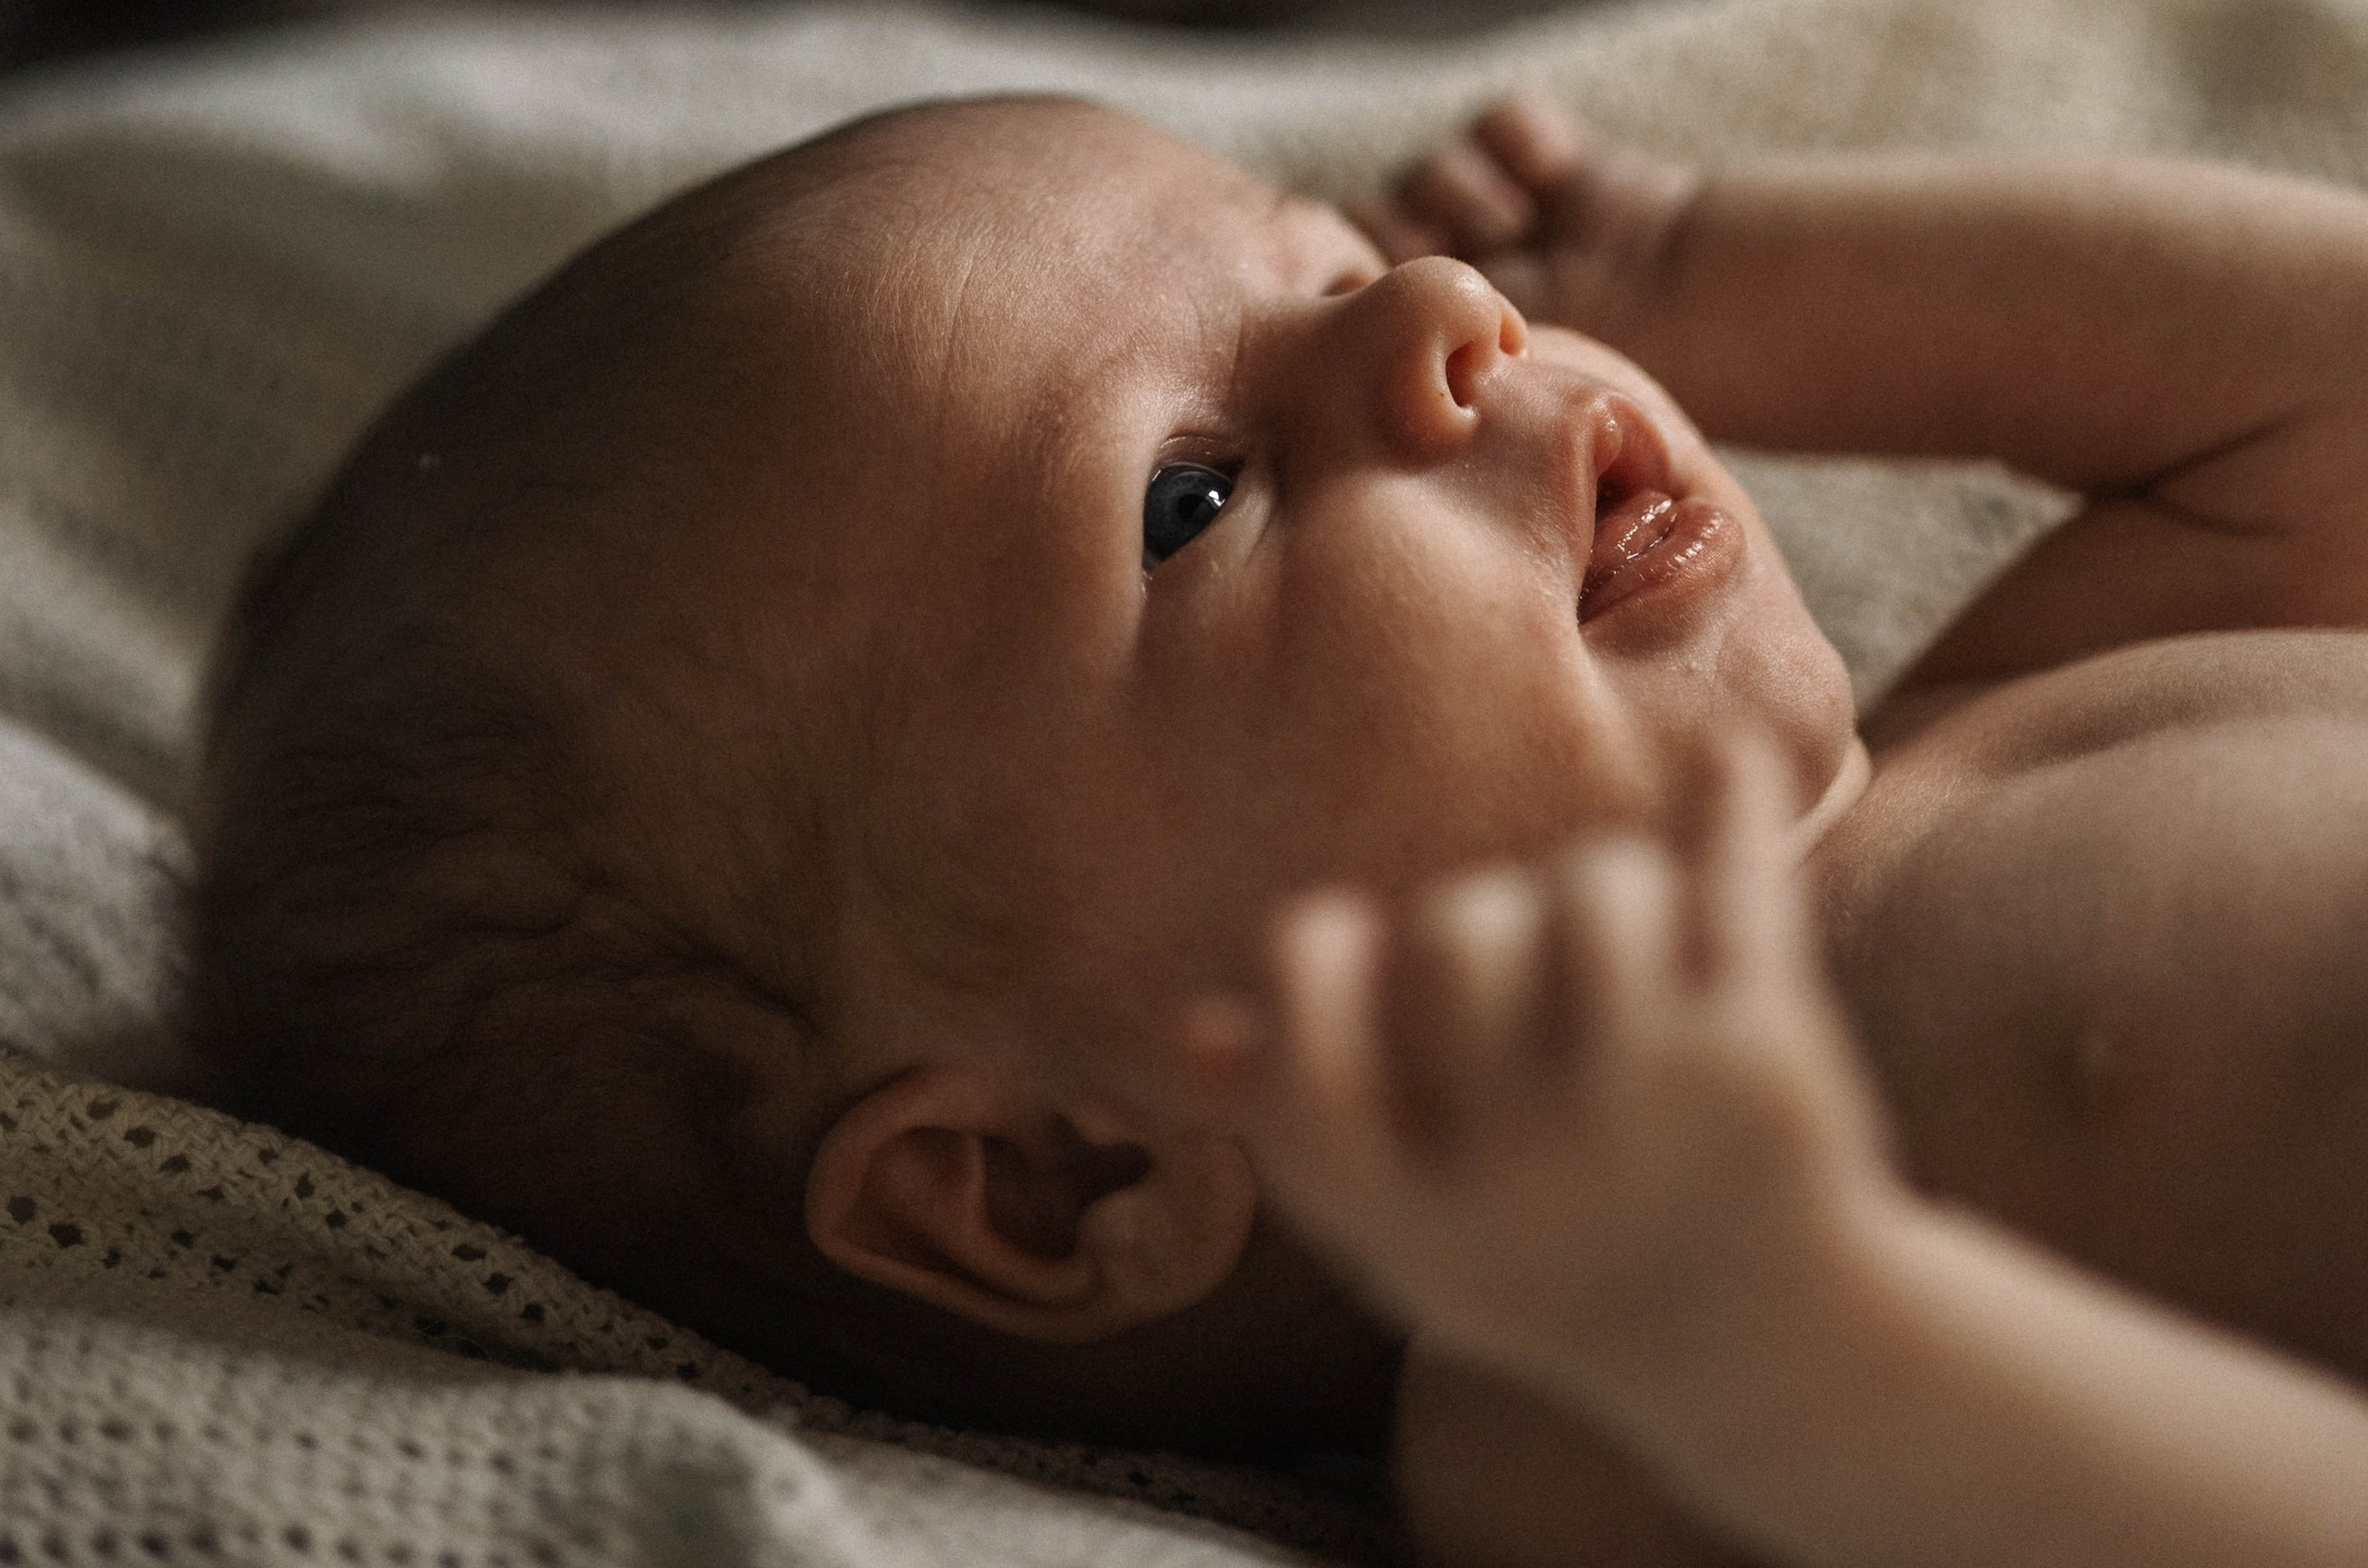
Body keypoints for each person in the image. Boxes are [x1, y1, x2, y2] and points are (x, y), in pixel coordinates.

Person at [188, 92, 2368, 1562]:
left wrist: (1693, 255)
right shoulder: (1580, 1413)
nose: (1445, 322)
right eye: (1191, 494)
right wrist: (1790, 1320)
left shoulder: (2030, 701)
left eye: (1328, 264)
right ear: (1061, 1174)